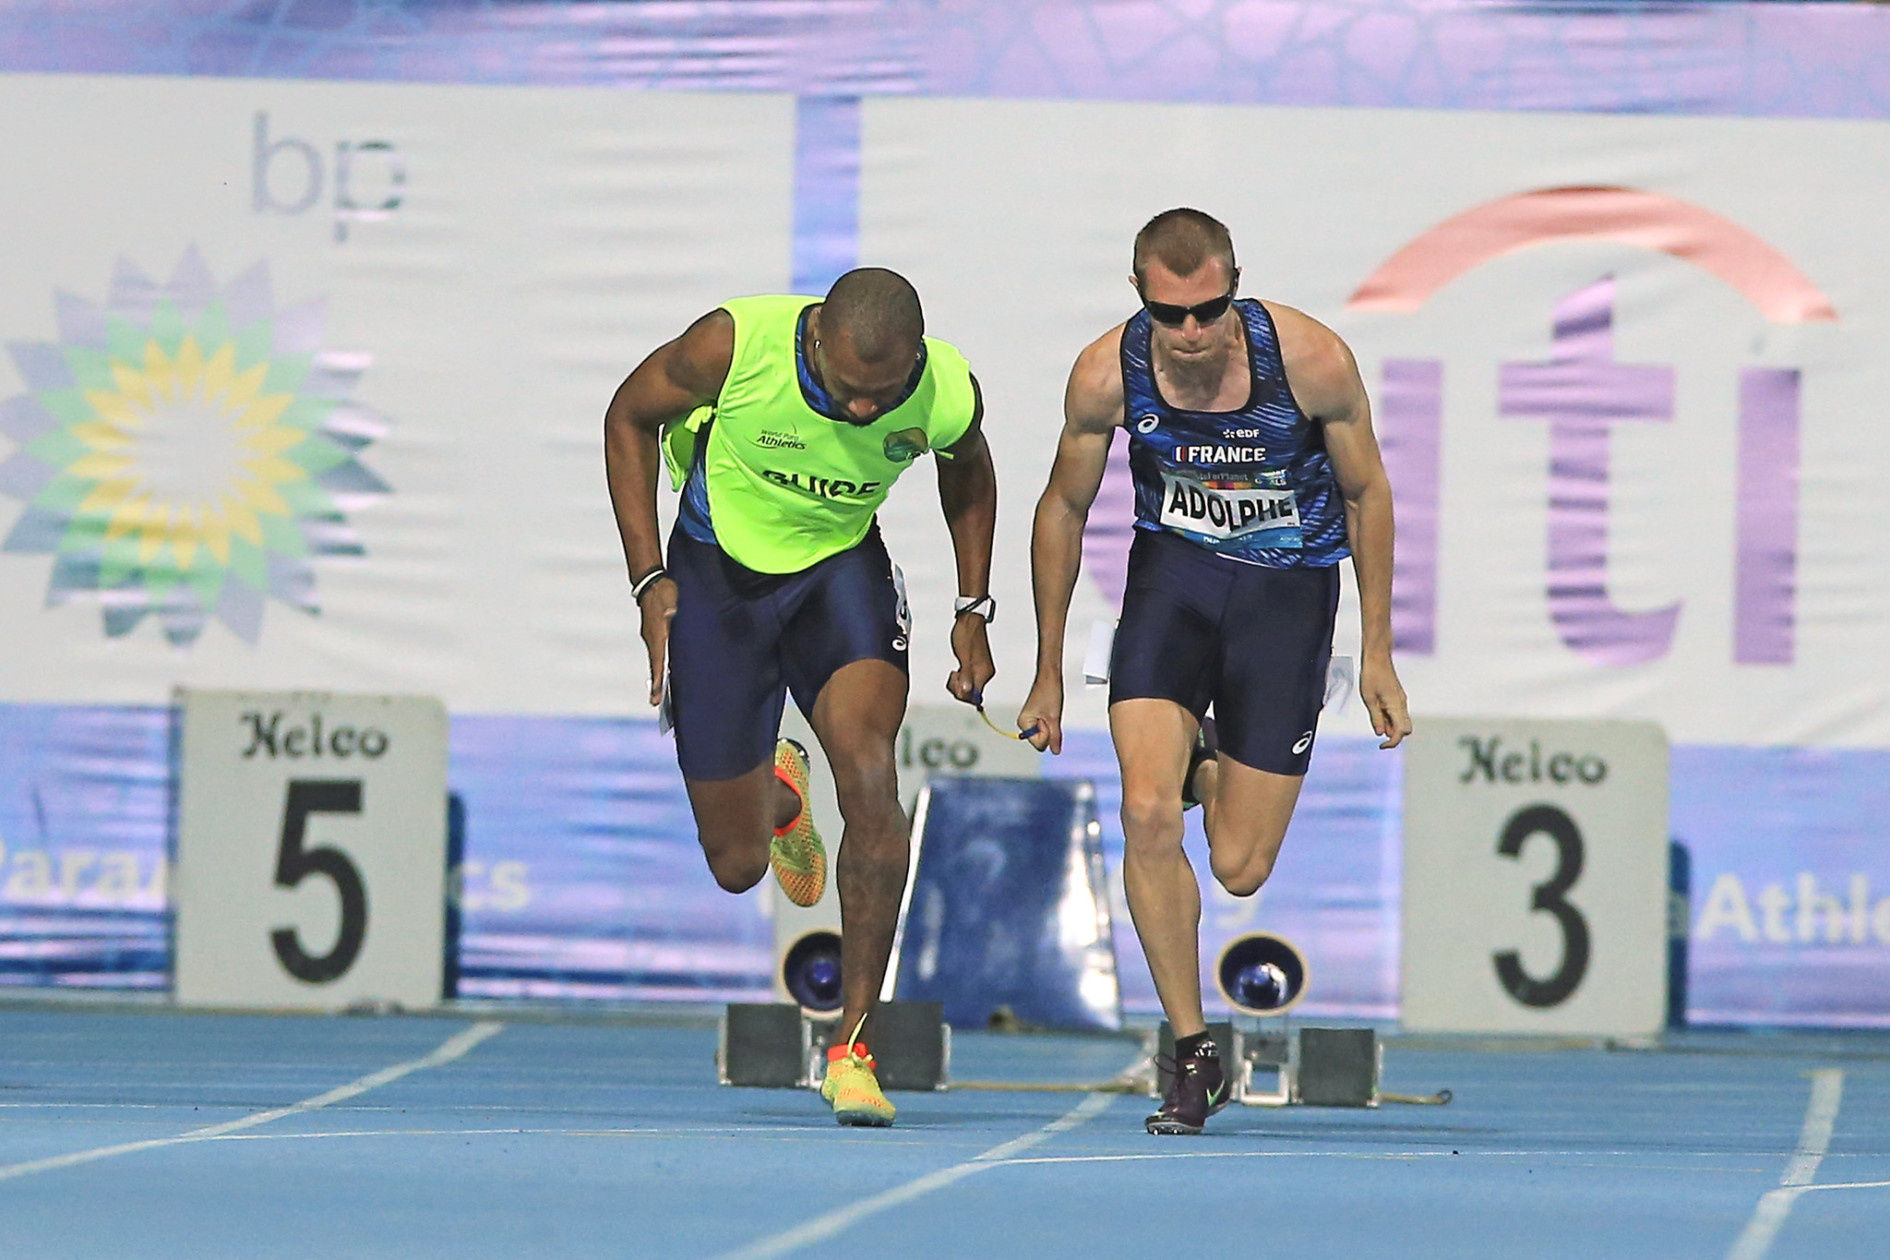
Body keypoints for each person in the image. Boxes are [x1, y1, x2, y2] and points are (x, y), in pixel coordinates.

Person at [1018, 209, 1411, 1135]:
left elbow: (1367, 493)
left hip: (1287, 601)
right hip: (1174, 590)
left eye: (1209, 310)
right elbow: (1063, 509)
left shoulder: (1310, 361)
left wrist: (1382, 650)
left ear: (1236, 283)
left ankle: (1206, 758)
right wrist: (1044, 668)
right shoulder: (1104, 372)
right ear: (1138, 294)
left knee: (1237, 866)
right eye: (1170, 314)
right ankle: (1192, 1053)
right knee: (1145, 813)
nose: (1190, 334)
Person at [604, 268, 998, 1127]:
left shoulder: (941, 388)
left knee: (870, 779)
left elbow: (969, 472)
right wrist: (648, 579)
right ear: (816, 337)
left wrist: (972, 610)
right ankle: (779, 795)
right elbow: (628, 418)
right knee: (738, 866)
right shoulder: (734, 346)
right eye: (850, 394)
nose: (864, 413)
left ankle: (853, 1048)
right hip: (718, 581)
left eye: (881, 397)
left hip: (838, 576)